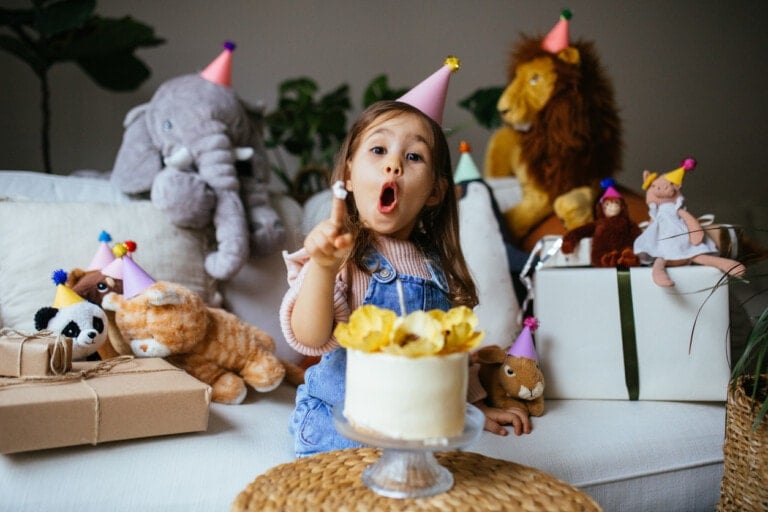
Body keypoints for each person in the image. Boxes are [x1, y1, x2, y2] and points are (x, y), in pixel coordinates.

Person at [280, 61, 531, 457]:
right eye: (378, 150)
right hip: (341, 429)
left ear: (434, 191)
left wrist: (477, 405)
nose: (393, 163)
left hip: (416, 429)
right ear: (348, 175)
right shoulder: (341, 254)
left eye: (414, 157)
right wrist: (324, 269)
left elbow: (448, 354)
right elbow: (310, 336)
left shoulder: (437, 268)